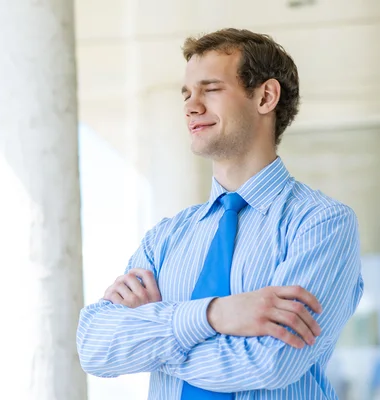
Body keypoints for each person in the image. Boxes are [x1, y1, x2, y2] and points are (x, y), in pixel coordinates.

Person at [76, 28, 364, 400]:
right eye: (186, 94)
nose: (190, 106)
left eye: (210, 89)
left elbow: (271, 362)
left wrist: (157, 333)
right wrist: (212, 315)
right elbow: (95, 347)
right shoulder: (166, 238)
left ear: (265, 96)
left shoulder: (322, 224)